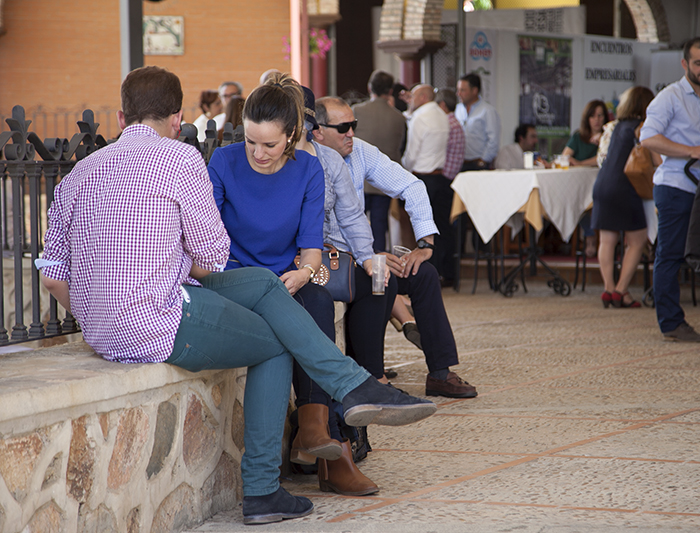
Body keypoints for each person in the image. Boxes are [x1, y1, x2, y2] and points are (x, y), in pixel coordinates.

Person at [38, 66, 435, 525]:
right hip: (162, 319)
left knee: (267, 286)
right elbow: (210, 258)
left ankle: (351, 389)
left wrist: (100, 316)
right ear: (177, 117)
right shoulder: (181, 159)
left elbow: (52, 278)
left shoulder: (79, 173)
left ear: (122, 116)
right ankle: (268, 485)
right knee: (273, 342)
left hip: (101, 330)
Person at [207, 73, 387, 496]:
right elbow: (208, 240)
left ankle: (314, 426)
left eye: (269, 144)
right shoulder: (223, 161)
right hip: (236, 277)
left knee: (318, 301)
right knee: (296, 318)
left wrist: (306, 272)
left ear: (291, 137)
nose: (257, 152)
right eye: (251, 141)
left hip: (288, 275)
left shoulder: (309, 167)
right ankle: (335, 443)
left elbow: (310, 248)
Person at [314, 96, 478, 399]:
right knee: (380, 279)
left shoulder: (359, 151)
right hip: (330, 261)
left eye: (354, 125)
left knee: (424, 273)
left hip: (362, 255)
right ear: (317, 131)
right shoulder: (309, 161)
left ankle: (440, 373)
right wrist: (368, 257)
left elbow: (411, 185)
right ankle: (375, 378)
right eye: (343, 127)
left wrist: (423, 244)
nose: (352, 132)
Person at [640, 37, 700, 342]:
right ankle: (671, 323)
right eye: (698, 63)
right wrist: (690, 150)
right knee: (670, 255)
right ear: (685, 64)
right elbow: (648, 138)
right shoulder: (669, 97)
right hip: (673, 186)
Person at [592, 87, 658, 309]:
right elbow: (657, 159)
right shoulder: (644, 127)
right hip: (625, 186)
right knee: (637, 241)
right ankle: (621, 290)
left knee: (607, 240)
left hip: (602, 184)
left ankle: (609, 289)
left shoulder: (615, 126)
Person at [403, 84, 453, 284]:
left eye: (413, 96)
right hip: (441, 178)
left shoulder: (420, 117)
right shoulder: (443, 114)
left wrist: (404, 169)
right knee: (443, 229)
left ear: (423, 97)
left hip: (423, 178)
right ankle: (447, 273)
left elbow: (412, 154)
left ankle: (427, 275)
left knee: (424, 230)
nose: (411, 100)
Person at [352, 70, 407, 252]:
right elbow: (401, 148)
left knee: (353, 224)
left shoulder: (357, 111)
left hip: (358, 178)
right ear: (390, 91)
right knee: (379, 227)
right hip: (384, 180)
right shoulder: (399, 118)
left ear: (369, 88)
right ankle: (379, 271)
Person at [455, 72, 500, 171]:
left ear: (474, 91)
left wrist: (483, 160)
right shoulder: (457, 109)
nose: (458, 94)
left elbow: (493, 139)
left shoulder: (487, 110)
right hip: (459, 164)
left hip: (478, 163)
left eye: (462, 90)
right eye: (458, 90)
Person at [562, 100, 609, 167]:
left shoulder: (610, 137)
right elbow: (564, 158)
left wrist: (580, 163)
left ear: (605, 117)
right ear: (587, 118)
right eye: (592, 116)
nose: (596, 119)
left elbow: (604, 159)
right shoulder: (578, 136)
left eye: (600, 115)